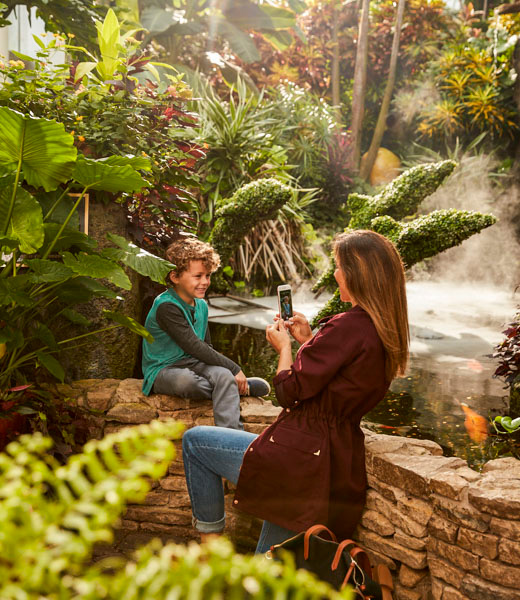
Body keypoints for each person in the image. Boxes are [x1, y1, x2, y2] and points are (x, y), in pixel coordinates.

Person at [182, 230, 409, 552]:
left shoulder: (346, 326)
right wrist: (309, 341)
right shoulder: (382, 328)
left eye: (340, 267)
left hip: (299, 457)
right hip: (336, 460)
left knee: (195, 442)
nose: (335, 274)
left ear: (358, 275)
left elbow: (289, 392)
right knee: (274, 561)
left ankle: (209, 552)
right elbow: (342, 378)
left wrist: (284, 348)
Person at [142, 237, 270, 431]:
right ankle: (232, 390)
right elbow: (193, 345)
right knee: (187, 381)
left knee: (222, 374)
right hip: (164, 368)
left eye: (208, 275)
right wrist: (235, 369)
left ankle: (231, 436)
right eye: (198, 276)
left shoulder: (201, 304)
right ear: (175, 276)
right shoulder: (166, 306)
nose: (205, 282)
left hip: (193, 362)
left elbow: (205, 347)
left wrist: (226, 372)